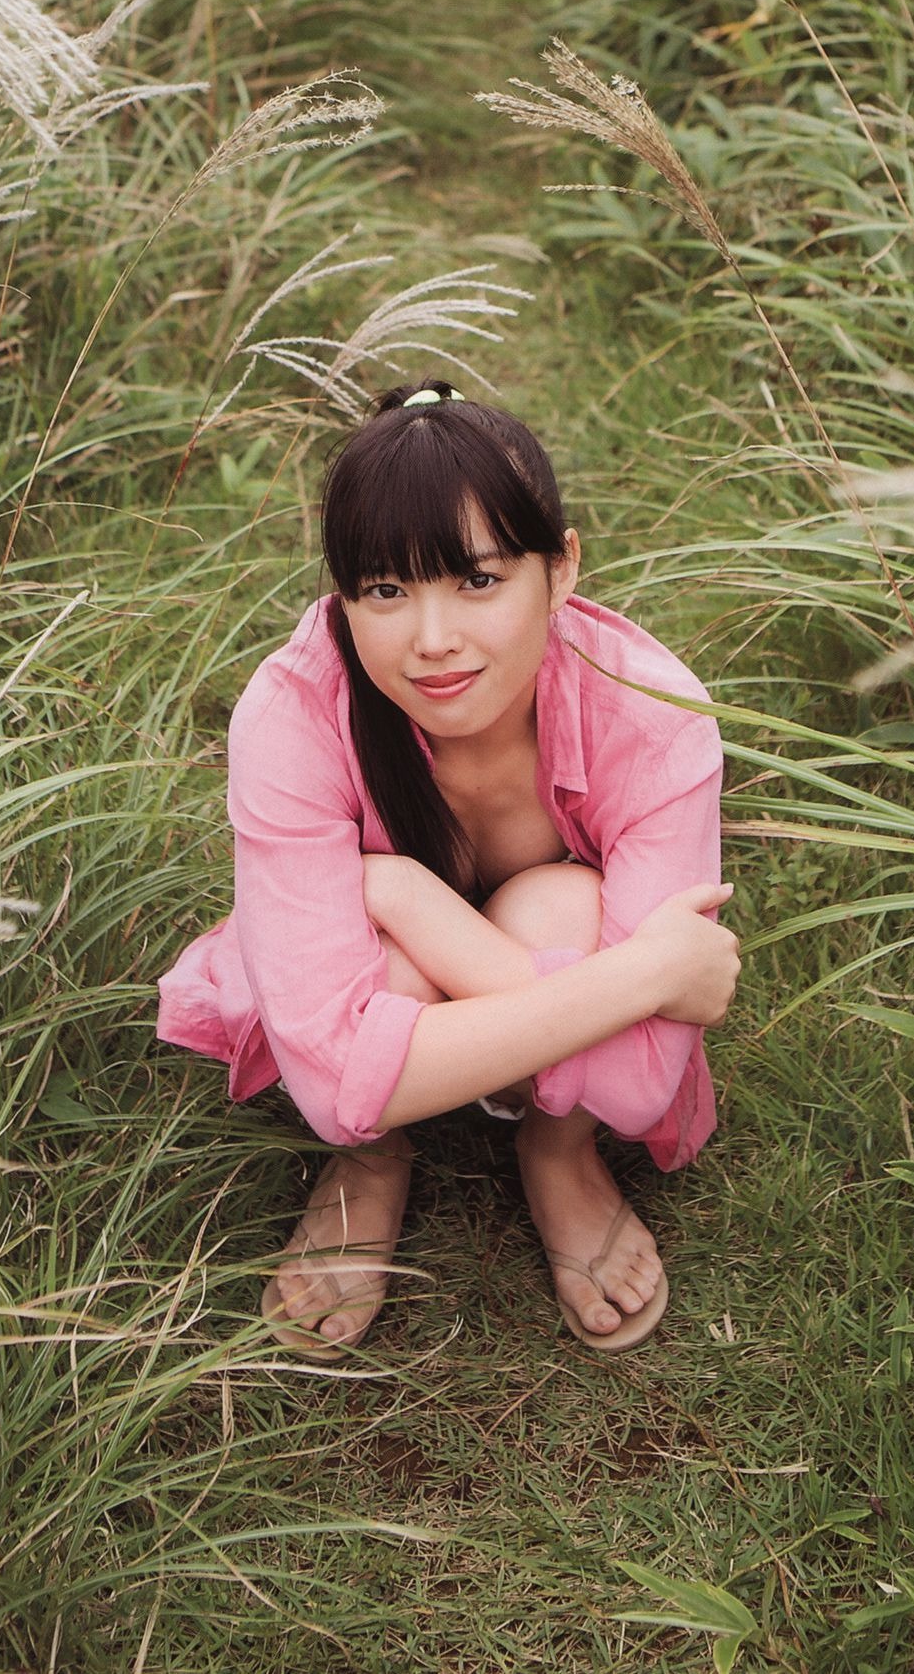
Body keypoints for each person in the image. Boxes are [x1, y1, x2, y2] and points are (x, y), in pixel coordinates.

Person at [156, 381, 741, 1357]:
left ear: (560, 570)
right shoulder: (292, 714)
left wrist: (399, 892)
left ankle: (556, 1148)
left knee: (560, 902)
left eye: (477, 579)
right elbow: (329, 1078)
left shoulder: (654, 718)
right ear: (342, 598)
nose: (431, 641)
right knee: (375, 971)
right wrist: (645, 976)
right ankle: (374, 1165)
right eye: (385, 591)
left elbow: (641, 1085)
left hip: (539, 935)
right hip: (400, 967)